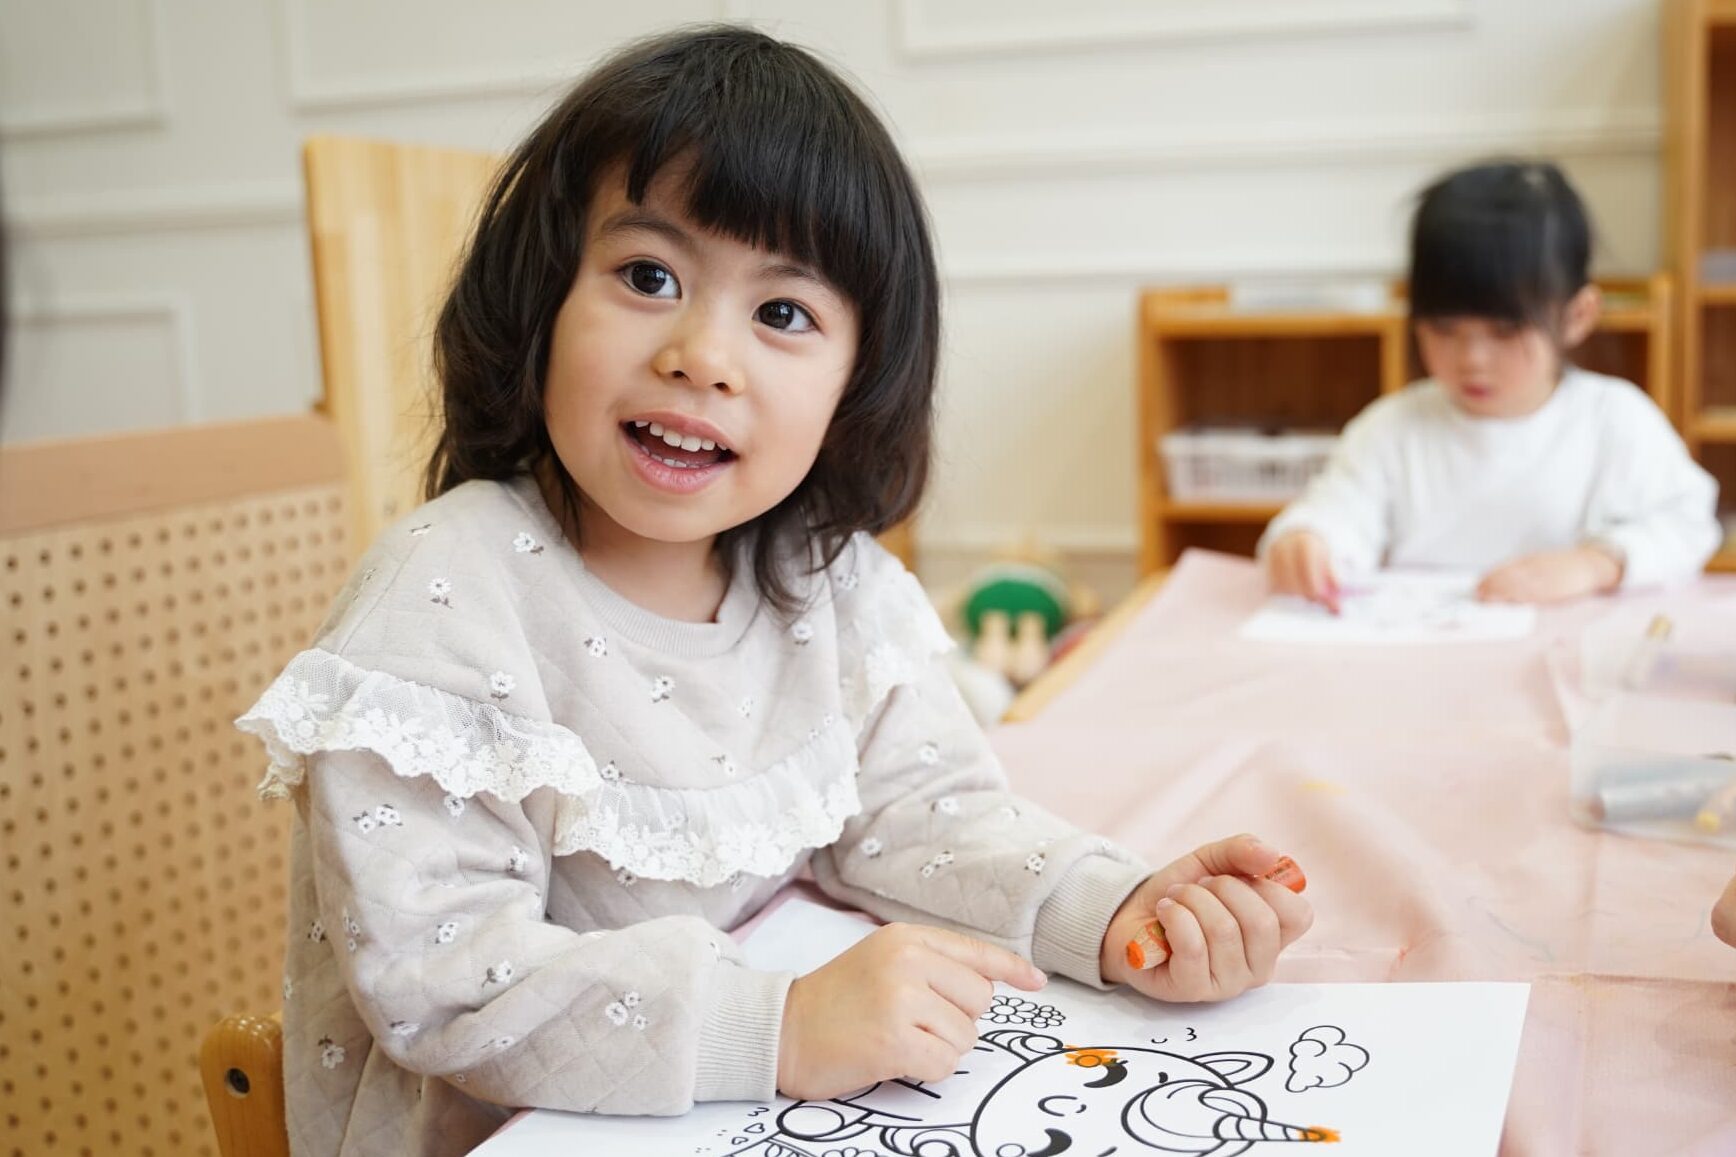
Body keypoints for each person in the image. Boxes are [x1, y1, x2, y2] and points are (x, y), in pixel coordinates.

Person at [237, 26, 1312, 1155]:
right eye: (647, 276)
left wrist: (1117, 911)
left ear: (856, 383)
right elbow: (447, 974)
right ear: (540, 299)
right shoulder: (443, 594)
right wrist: (778, 1023)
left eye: (783, 313)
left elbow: (919, 815)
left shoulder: (825, 583)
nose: (703, 355)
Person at [1262, 161, 1720, 609]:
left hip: (1566, 650)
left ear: (1577, 316)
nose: (1472, 360)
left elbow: (1689, 526)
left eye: (1505, 332)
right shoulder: (1391, 429)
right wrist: (1307, 541)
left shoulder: (1614, 420)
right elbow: (1335, 512)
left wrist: (1595, 565)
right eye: (1443, 329)